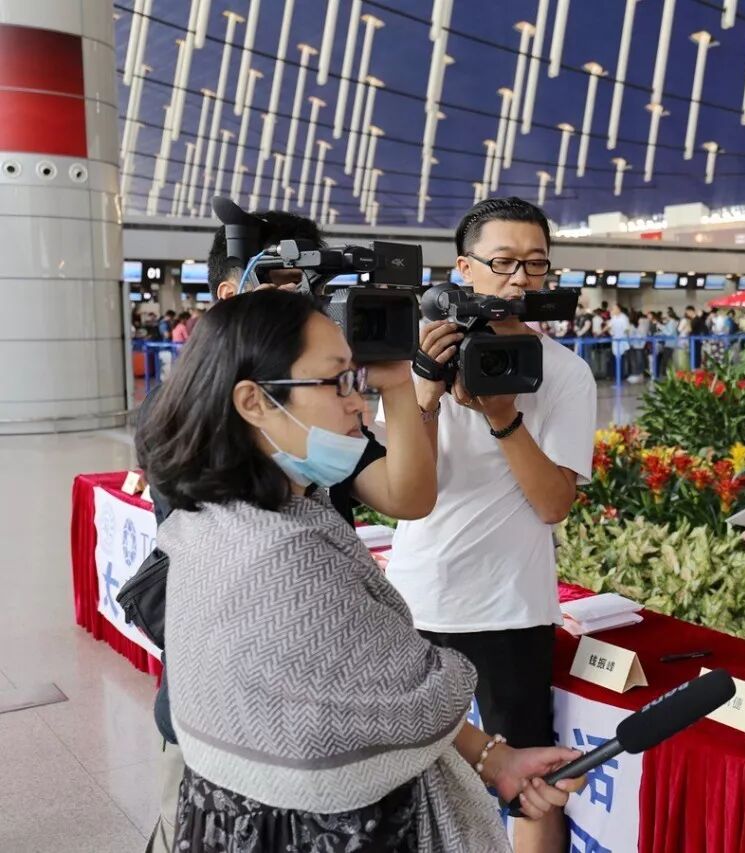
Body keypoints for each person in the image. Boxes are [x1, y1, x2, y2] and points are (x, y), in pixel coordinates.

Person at [137, 289, 583, 852]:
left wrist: (494, 759)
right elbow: (423, 696)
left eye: (357, 380)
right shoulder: (288, 557)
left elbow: (410, 496)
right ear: (253, 401)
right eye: (337, 382)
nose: (358, 406)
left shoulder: (212, 519)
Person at [140, 209, 440, 853]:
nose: (307, 305)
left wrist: (392, 385)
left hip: (323, 750)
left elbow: (407, 496)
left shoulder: (313, 416)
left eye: (315, 291)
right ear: (232, 296)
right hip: (224, 725)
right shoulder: (200, 423)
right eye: (284, 286)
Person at [382, 197, 596, 853]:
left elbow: (554, 504)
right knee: (406, 769)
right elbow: (404, 493)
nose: (519, 278)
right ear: (463, 268)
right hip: (417, 595)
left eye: (535, 263)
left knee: (531, 779)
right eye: (503, 262)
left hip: (512, 604)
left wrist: (504, 417)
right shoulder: (417, 357)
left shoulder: (565, 371)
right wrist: (423, 392)